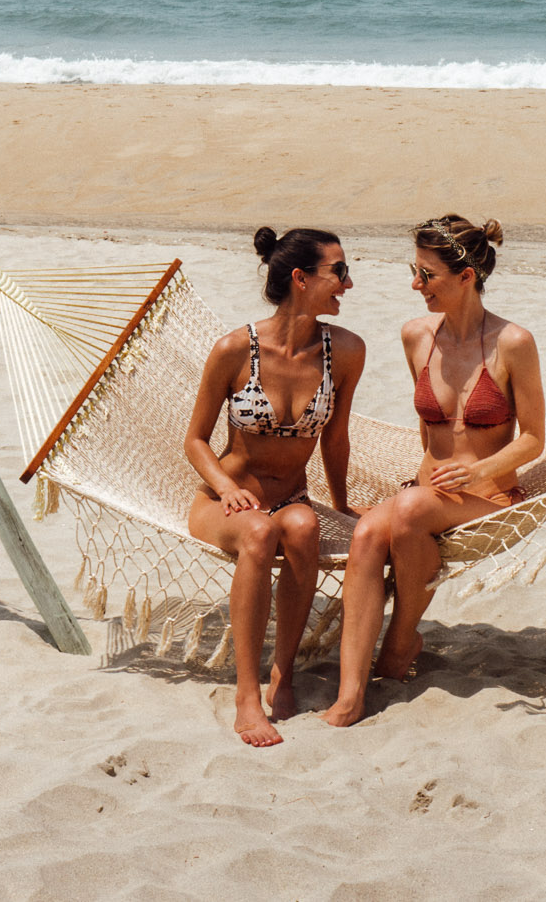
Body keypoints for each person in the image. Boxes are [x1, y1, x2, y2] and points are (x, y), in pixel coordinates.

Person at [322, 213, 543, 728]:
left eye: (427, 275)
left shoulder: (513, 343)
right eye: (414, 270)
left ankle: (398, 647)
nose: (415, 284)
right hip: (421, 495)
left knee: (410, 510)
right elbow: (430, 429)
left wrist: (478, 470)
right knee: (368, 535)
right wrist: (426, 474)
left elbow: (534, 439)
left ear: (466, 277)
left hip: (486, 497)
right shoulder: (415, 336)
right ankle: (352, 690)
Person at [184, 225, 366, 746]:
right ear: (300, 278)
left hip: (291, 497)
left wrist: (343, 503)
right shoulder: (234, 349)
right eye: (339, 272)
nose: (347, 284)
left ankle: (282, 670)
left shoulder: (346, 352)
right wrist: (223, 487)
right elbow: (195, 441)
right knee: (260, 535)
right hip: (223, 500)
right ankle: (246, 694)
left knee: (304, 528)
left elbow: (336, 439)